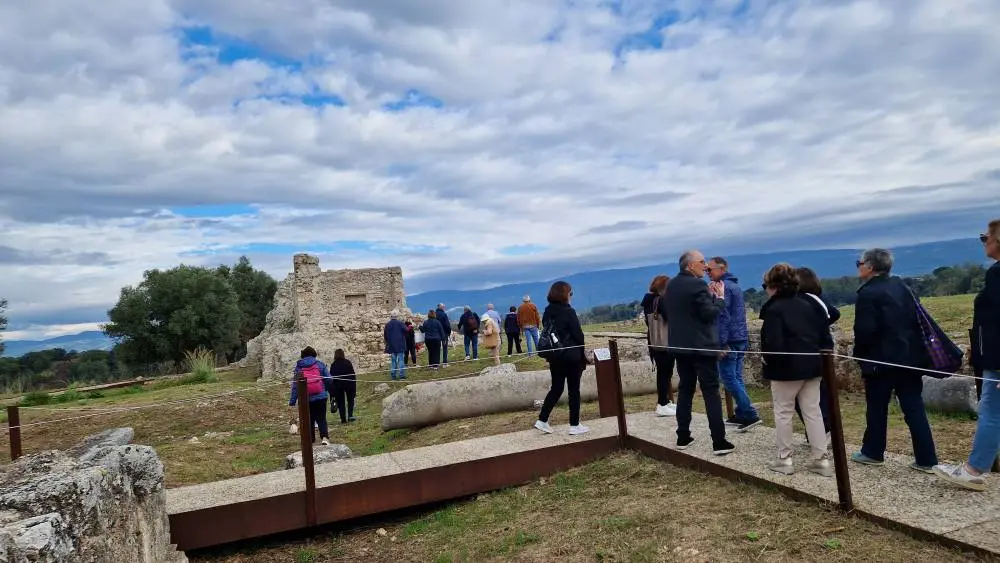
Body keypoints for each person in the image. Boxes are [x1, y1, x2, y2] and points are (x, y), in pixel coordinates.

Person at [851, 248, 938, 472]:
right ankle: (927, 458)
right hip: (908, 358)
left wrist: (859, 356)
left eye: (859, 262)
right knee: (914, 407)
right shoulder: (903, 287)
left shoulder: (867, 294)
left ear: (870, 266)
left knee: (877, 407)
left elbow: (864, 331)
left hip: (880, 361)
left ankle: (873, 451)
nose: (858, 266)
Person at [934, 219, 1000, 490]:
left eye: (985, 237)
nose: (984, 242)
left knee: (991, 412)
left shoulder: (997, 274)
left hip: (997, 358)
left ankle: (974, 469)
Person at [759, 264, 833, 477]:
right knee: (813, 411)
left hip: (785, 368)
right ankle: (821, 459)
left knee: (783, 412)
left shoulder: (774, 308)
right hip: (813, 365)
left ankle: (785, 458)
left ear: (773, 285)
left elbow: (772, 343)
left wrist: (769, 363)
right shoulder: (811, 304)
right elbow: (824, 337)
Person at [665, 250, 735, 455]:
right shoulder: (697, 284)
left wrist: (710, 297)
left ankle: (683, 436)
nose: (705, 266)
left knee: (685, 390)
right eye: (702, 262)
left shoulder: (671, 285)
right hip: (702, 346)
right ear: (690, 266)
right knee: (711, 392)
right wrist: (719, 298)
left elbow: (686, 313)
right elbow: (708, 314)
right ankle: (719, 441)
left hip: (681, 346)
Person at [707, 257, 761, 431]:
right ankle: (742, 413)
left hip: (728, 340)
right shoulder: (734, 285)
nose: (707, 273)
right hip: (739, 337)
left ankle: (750, 414)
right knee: (736, 377)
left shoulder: (724, 287)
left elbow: (722, 316)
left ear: (721, 269)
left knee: (728, 378)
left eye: (710, 270)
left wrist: (721, 343)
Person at [534, 281, 590, 435]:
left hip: (555, 356)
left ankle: (542, 419)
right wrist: (582, 352)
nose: (571, 296)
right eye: (570, 293)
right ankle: (574, 424)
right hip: (571, 356)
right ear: (565, 295)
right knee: (574, 390)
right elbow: (578, 334)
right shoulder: (568, 312)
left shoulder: (547, 311)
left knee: (556, 388)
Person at [793, 266, 840, 435]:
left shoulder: (801, 300)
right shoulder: (817, 298)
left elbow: (833, 313)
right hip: (821, 350)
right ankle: (819, 429)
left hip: (809, 351)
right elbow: (834, 313)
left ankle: (822, 428)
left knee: (805, 395)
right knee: (818, 392)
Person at [641, 274, 676, 416]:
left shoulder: (648, 301)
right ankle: (662, 403)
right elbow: (672, 318)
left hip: (654, 341)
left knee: (664, 372)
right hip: (665, 342)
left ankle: (666, 401)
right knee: (665, 373)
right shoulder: (662, 301)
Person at [288, 346, 332, 445]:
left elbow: (295, 385)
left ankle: (310, 439)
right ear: (314, 354)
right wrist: (326, 390)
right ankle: (324, 438)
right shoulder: (320, 365)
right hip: (321, 396)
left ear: (303, 355)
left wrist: (292, 401)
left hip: (305, 398)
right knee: (321, 418)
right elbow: (329, 379)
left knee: (308, 419)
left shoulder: (299, 367)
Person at [329, 348, 357, 424]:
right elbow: (352, 375)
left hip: (338, 385)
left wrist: (332, 392)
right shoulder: (348, 362)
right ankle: (350, 416)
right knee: (350, 400)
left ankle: (343, 419)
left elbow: (332, 378)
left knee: (341, 402)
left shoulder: (333, 365)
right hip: (349, 384)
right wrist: (354, 387)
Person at [383, 310, 408, 380]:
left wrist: (388, 342)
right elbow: (406, 330)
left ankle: (393, 376)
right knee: (401, 360)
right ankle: (401, 375)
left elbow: (385, 335)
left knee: (393, 361)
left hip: (391, 345)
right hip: (400, 344)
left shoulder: (387, 324)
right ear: (397, 316)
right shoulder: (400, 323)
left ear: (391, 316)